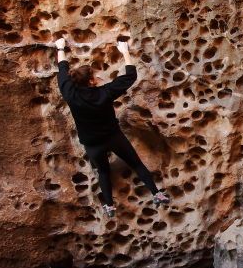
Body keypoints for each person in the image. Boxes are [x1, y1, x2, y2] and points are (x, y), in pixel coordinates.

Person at [53, 36, 170, 218]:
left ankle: (109, 206)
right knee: (136, 163)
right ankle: (157, 193)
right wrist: (124, 52)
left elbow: (62, 70)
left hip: (92, 143)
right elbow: (130, 76)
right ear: (91, 81)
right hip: (113, 137)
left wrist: (60, 48)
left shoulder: (70, 94)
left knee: (103, 171)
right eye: (93, 76)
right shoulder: (104, 93)